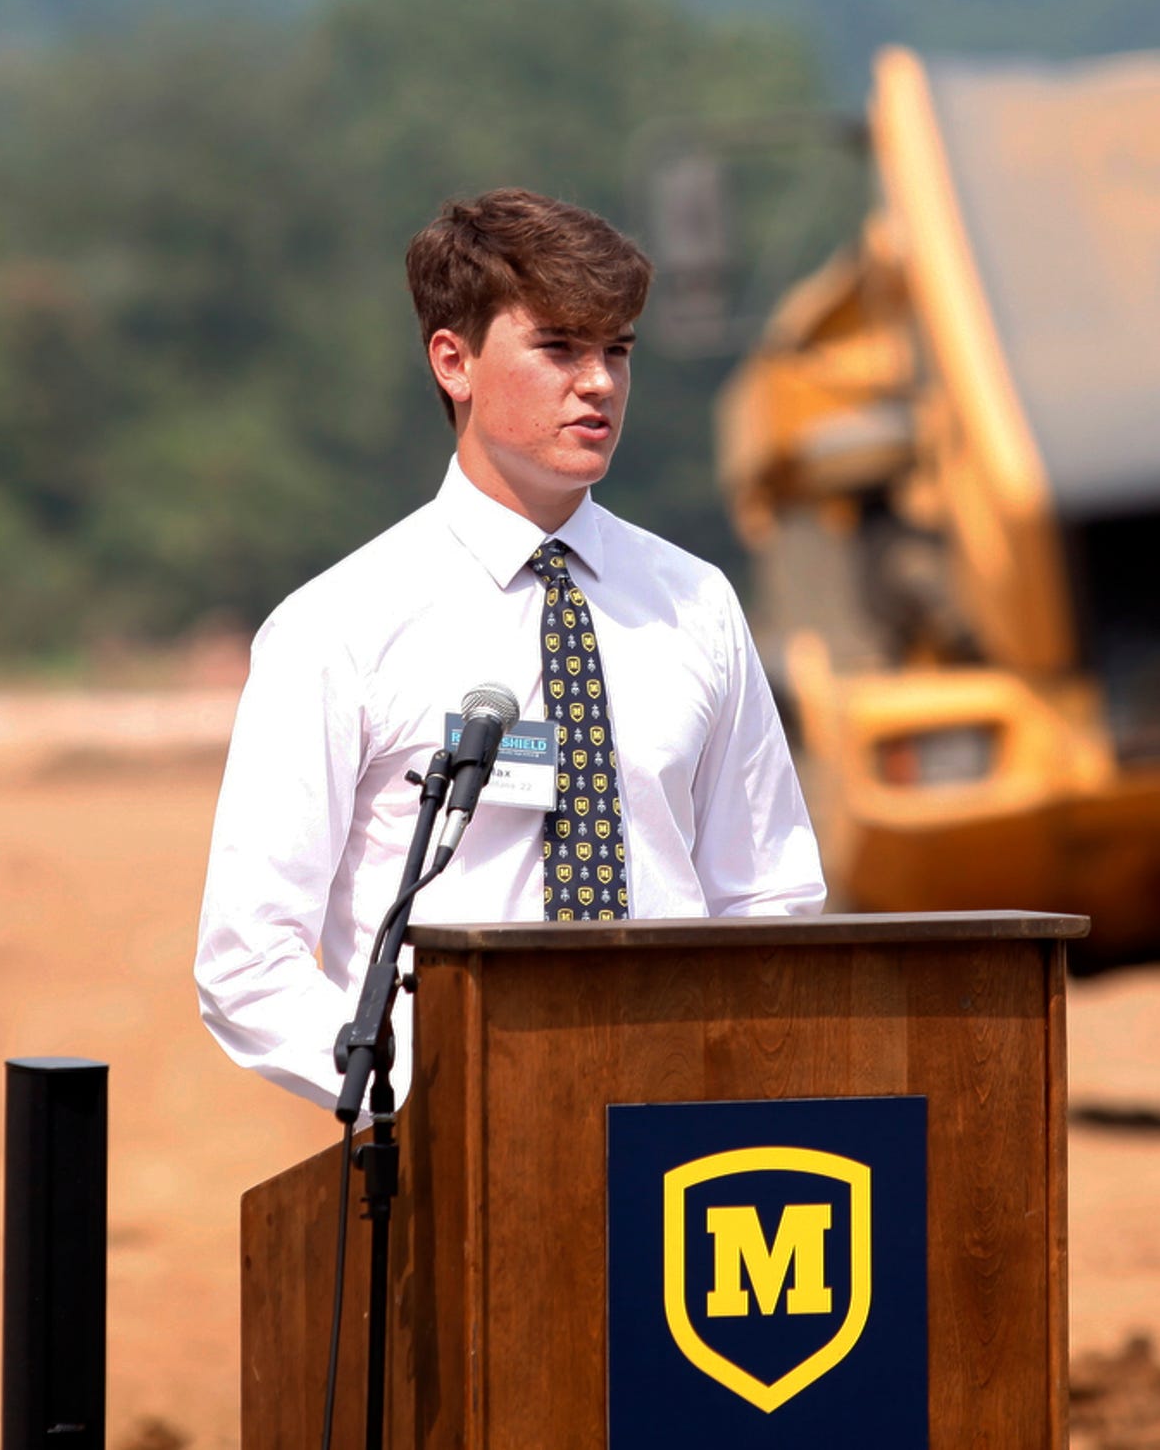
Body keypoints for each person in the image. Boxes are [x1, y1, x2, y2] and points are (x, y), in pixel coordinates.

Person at [194, 188, 825, 1111]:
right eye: (561, 347)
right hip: (446, 1142)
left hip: (680, 1141)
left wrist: (727, 1076)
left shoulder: (698, 604)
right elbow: (247, 957)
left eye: (617, 349)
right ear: (454, 361)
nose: (600, 382)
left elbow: (768, 895)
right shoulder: (338, 625)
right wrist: (424, 1096)